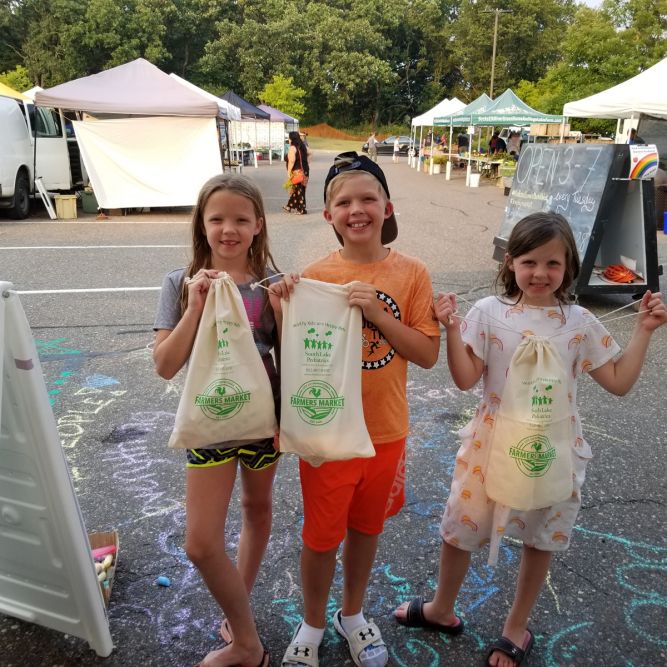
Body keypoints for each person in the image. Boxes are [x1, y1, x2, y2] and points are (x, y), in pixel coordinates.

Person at [394, 212, 667, 667]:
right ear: (510, 263)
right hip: (489, 442)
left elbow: (618, 381)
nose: (540, 273)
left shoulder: (578, 321)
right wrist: (453, 330)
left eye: (553, 264)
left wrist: (643, 331)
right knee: (460, 527)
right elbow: (465, 380)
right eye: (529, 261)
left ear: (570, 267)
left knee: (541, 536)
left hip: (552, 444)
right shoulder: (488, 313)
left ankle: (516, 626)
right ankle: (442, 608)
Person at [272, 152, 441, 667]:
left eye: (368, 198)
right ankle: (313, 621)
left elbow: (427, 353)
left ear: (387, 207)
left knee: (367, 530)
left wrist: (375, 312)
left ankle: (353, 614)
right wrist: (283, 305)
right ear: (328, 215)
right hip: (327, 434)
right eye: (343, 201)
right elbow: (297, 354)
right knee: (321, 536)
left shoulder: (412, 274)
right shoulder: (314, 277)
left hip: (386, 432)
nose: (357, 209)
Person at [153, 174, 283, 667]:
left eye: (240, 219)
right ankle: (249, 646)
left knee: (257, 510)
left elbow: (291, 358)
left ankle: (240, 618)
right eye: (217, 219)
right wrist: (197, 305)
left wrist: (283, 311)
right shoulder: (179, 282)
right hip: (210, 421)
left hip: (263, 421)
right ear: (201, 225)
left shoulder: (272, 282)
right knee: (202, 543)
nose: (229, 229)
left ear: (258, 225)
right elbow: (166, 364)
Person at [284, 130, 310, 215]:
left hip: (297, 171)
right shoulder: (302, 146)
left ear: (292, 139)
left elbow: (292, 160)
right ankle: (289, 206)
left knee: (299, 190)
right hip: (305, 170)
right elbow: (311, 153)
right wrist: (306, 162)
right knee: (298, 189)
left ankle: (302, 209)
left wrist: (288, 172)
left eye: (289, 138)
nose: (289, 140)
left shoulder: (292, 148)